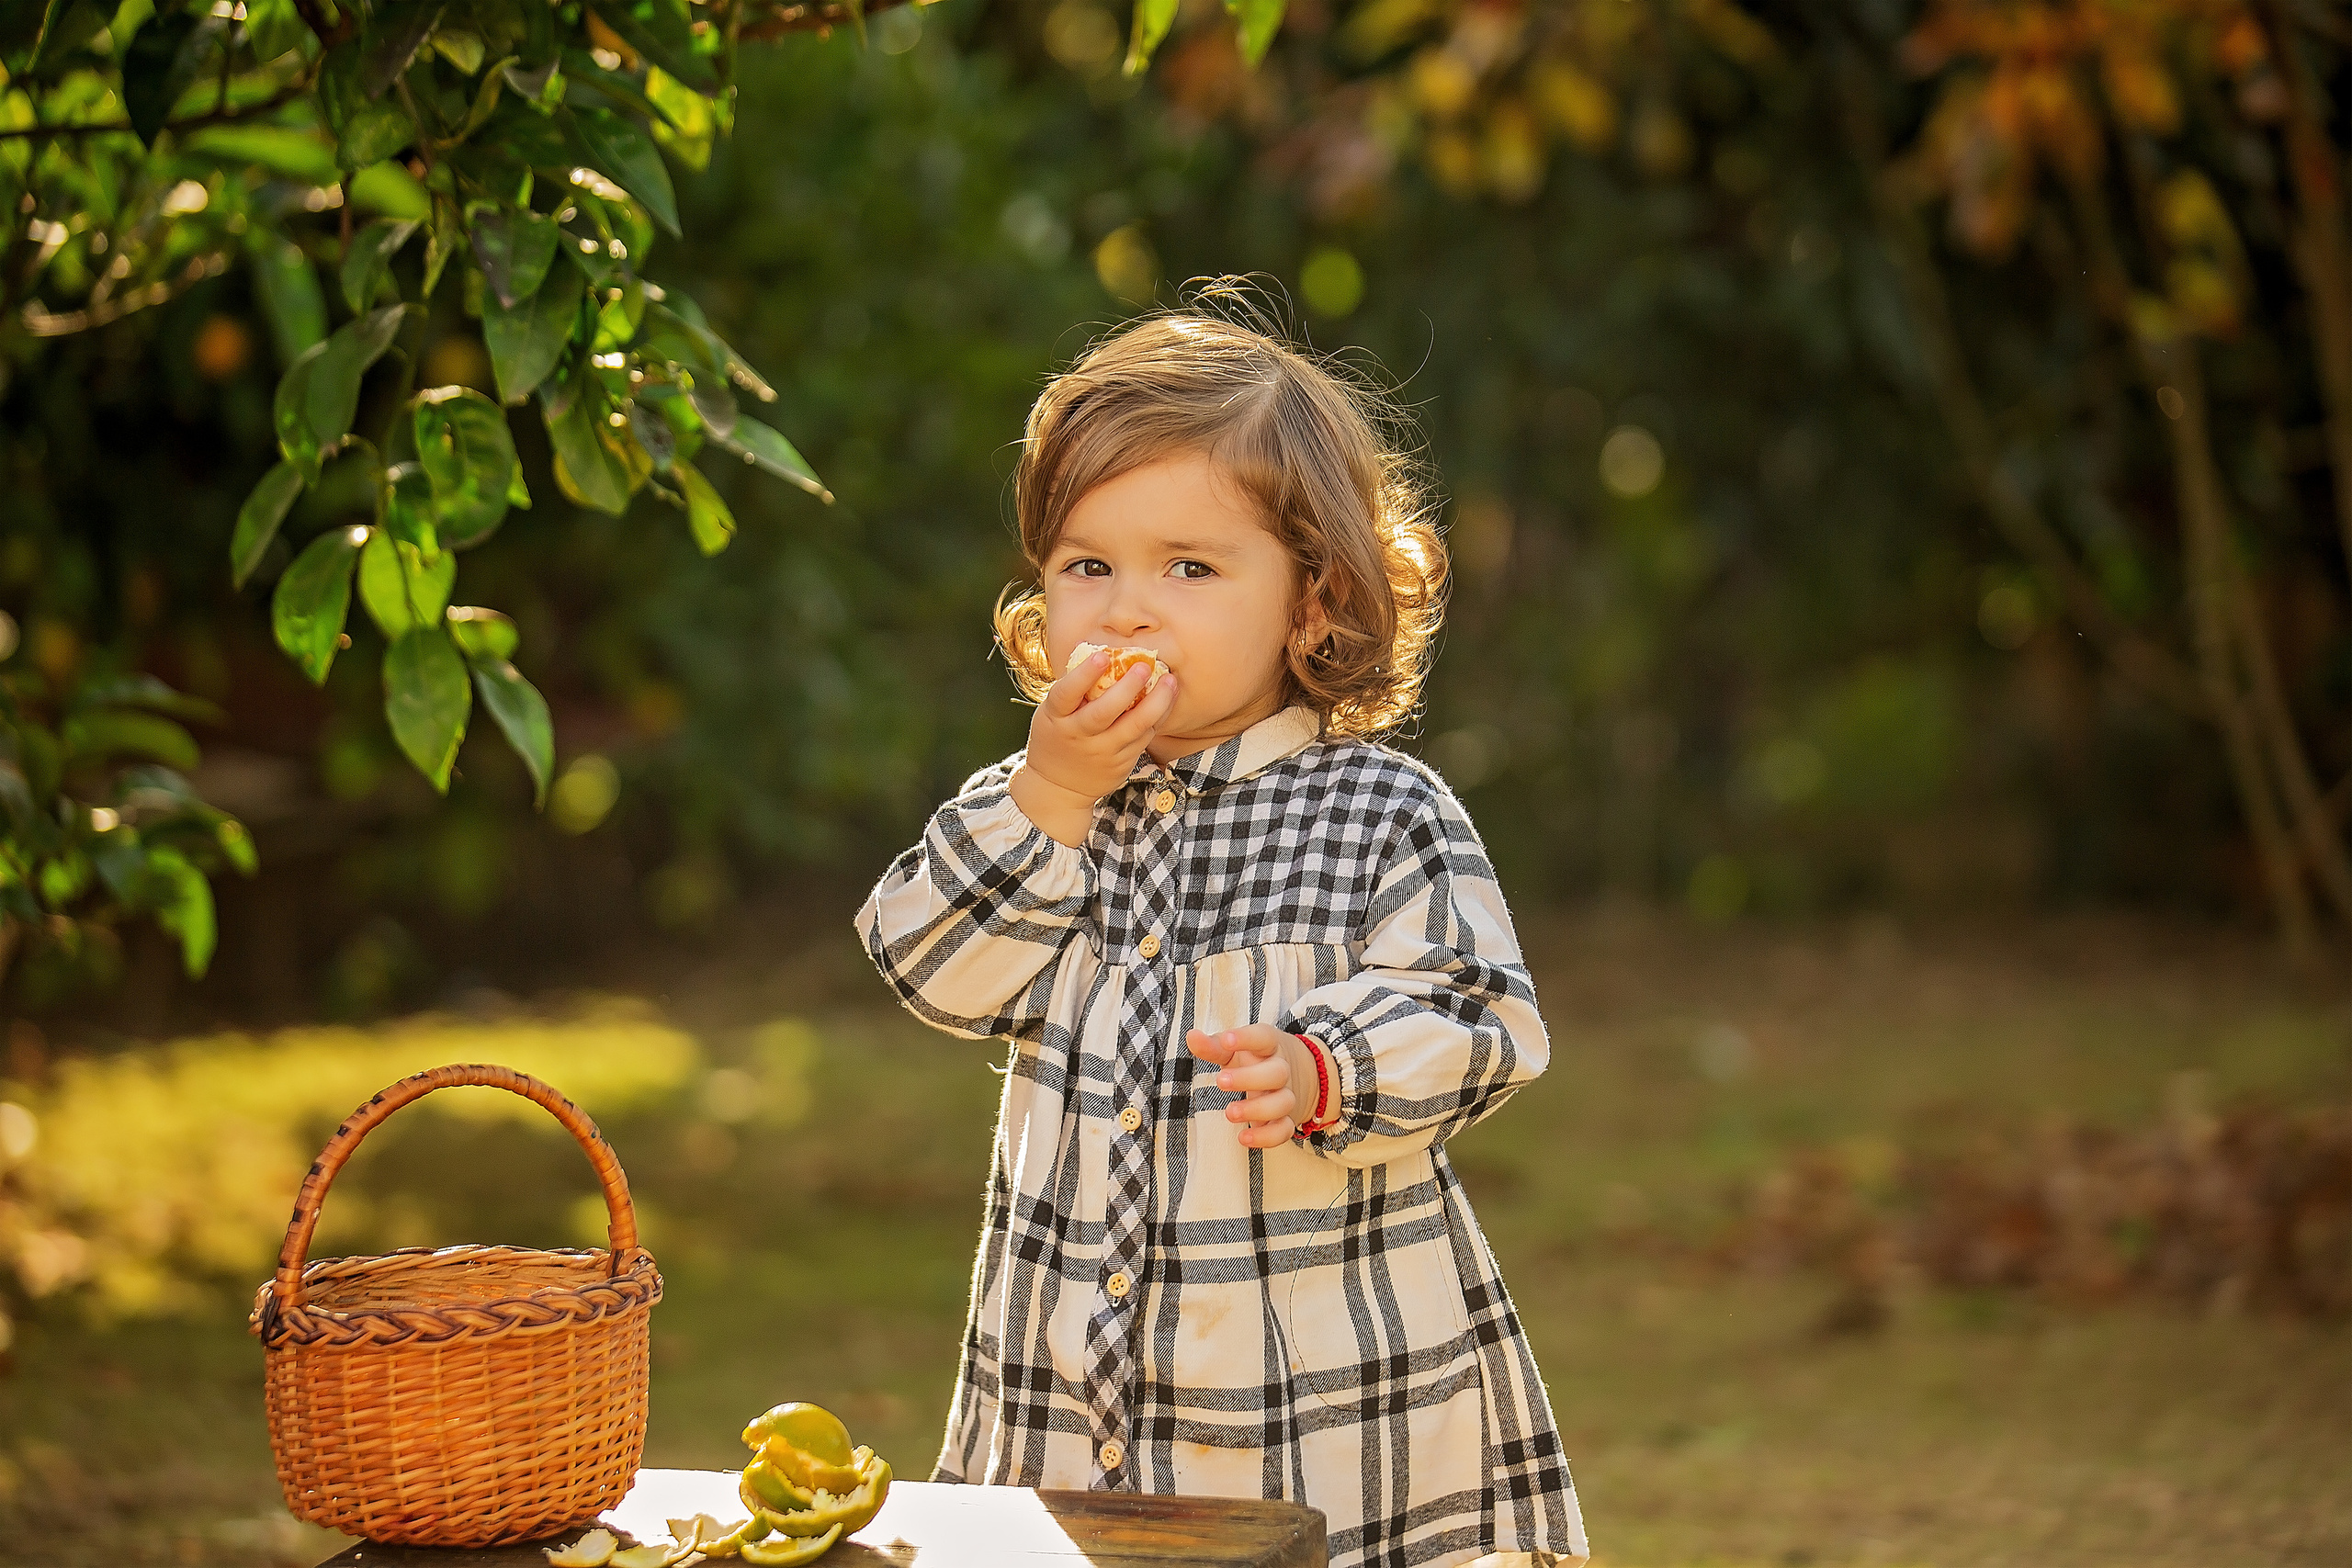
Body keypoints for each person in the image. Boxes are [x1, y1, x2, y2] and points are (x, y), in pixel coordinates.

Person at [856, 294, 1587, 1568]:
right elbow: (929, 968)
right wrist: (1050, 797)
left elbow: (1483, 1017)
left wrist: (1330, 1064)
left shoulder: (1376, 810)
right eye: (1089, 565)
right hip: (1067, 1394)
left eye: (1189, 568)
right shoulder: (1042, 805)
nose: (1127, 610)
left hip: (1316, 1396)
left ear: (1312, 604)